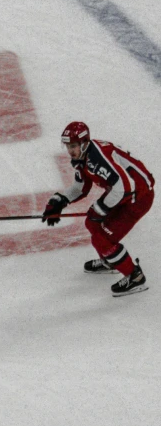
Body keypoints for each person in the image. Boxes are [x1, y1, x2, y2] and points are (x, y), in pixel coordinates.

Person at [44, 118, 153, 297]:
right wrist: (59, 201)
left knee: (102, 239)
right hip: (124, 195)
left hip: (138, 198)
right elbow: (81, 187)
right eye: (68, 146)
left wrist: (101, 208)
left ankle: (135, 276)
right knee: (92, 224)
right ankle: (111, 261)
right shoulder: (83, 158)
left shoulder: (97, 157)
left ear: (85, 143)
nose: (70, 151)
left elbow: (125, 187)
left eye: (73, 146)